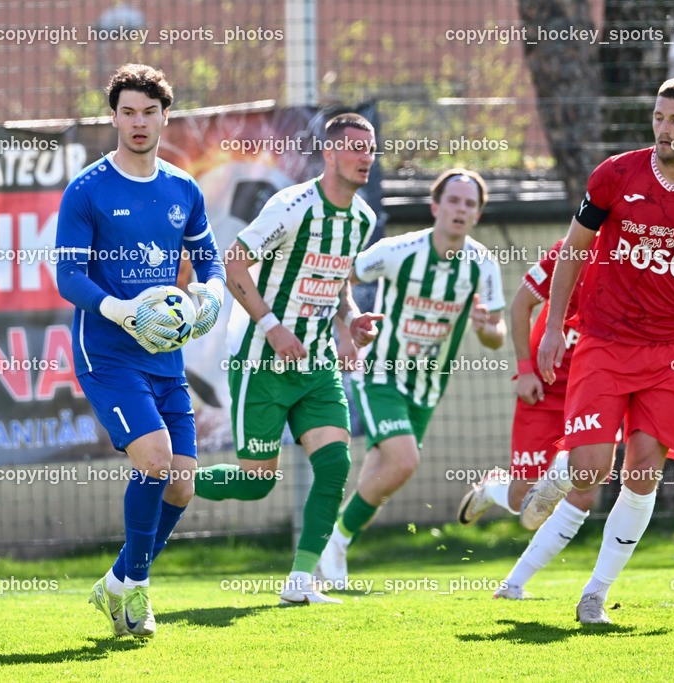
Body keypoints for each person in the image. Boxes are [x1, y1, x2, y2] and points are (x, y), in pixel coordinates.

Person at [520, 77, 674, 624]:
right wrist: (552, 327)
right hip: (604, 340)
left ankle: (595, 595)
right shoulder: (615, 174)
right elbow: (574, 250)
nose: (664, 129)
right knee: (591, 470)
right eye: (658, 117)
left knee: (643, 471)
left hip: (673, 352)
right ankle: (562, 473)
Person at [56, 64, 225, 638]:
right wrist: (120, 309)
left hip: (165, 357)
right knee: (154, 460)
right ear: (113, 117)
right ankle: (138, 591)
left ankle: (116, 581)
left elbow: (209, 260)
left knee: (181, 483)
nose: (138, 122)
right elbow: (69, 277)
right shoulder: (87, 190)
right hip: (106, 352)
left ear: (164, 117)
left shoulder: (183, 188)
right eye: (127, 112)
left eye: (149, 112)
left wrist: (212, 294)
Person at [193, 113, 382, 605]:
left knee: (335, 465)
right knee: (256, 482)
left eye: (371, 148)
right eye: (356, 148)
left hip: (317, 365)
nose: (366, 157)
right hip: (261, 360)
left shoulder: (362, 218)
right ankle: (170, 478)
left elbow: (337, 285)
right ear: (330, 153)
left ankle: (299, 583)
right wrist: (272, 327)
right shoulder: (292, 205)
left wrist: (351, 322)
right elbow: (234, 263)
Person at [315, 169, 508, 587]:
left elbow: (497, 334)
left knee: (380, 480)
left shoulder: (483, 265)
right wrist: (347, 331)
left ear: (477, 214)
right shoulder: (398, 250)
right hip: (380, 373)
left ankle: (325, 555)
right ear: (435, 206)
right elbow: (340, 277)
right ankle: (336, 543)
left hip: (428, 387)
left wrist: (484, 329)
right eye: (453, 200)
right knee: (404, 462)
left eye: (469, 204)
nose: (460, 209)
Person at [456, 239, 602, 599]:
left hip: (596, 391)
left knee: (584, 492)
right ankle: (492, 488)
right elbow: (521, 303)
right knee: (523, 502)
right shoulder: (571, 248)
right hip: (546, 388)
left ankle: (513, 584)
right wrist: (525, 370)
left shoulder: (637, 252)